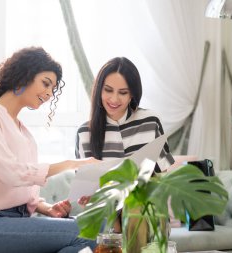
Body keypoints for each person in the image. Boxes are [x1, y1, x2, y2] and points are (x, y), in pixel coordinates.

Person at [0, 47, 98, 253]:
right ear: (24, 75)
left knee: (95, 229)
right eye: (46, 83)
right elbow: (12, 174)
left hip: (18, 221)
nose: (50, 94)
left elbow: (26, 192)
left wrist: (47, 208)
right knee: (88, 230)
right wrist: (72, 164)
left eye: (53, 88)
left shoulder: (23, 132)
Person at [75, 57, 175, 251]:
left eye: (123, 93)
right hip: (107, 212)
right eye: (108, 90)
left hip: (146, 209)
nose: (114, 99)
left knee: (137, 205)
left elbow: (162, 173)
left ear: (132, 95)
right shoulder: (85, 132)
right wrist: (88, 196)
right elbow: (87, 187)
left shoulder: (150, 121)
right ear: (99, 90)